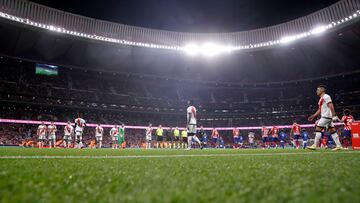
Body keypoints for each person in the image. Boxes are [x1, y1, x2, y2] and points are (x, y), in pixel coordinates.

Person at [307, 85, 342, 150]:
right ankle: (339, 146)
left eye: (318, 90)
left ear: (322, 90)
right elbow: (320, 110)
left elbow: (331, 105)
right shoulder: (321, 99)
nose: (316, 91)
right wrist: (313, 116)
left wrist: (334, 115)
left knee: (318, 129)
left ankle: (315, 145)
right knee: (333, 131)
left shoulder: (326, 96)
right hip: (327, 117)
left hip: (326, 116)